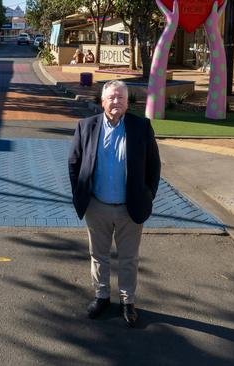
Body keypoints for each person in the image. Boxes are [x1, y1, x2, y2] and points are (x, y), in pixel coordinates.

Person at [68, 80, 161, 327]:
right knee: (98, 255)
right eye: (111, 97)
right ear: (102, 101)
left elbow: (154, 166)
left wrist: (148, 195)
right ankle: (101, 297)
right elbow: (74, 164)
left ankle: (127, 301)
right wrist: (81, 195)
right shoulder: (86, 126)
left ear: (128, 102)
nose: (116, 102)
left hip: (130, 208)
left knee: (128, 258)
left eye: (120, 97)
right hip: (96, 206)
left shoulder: (141, 127)